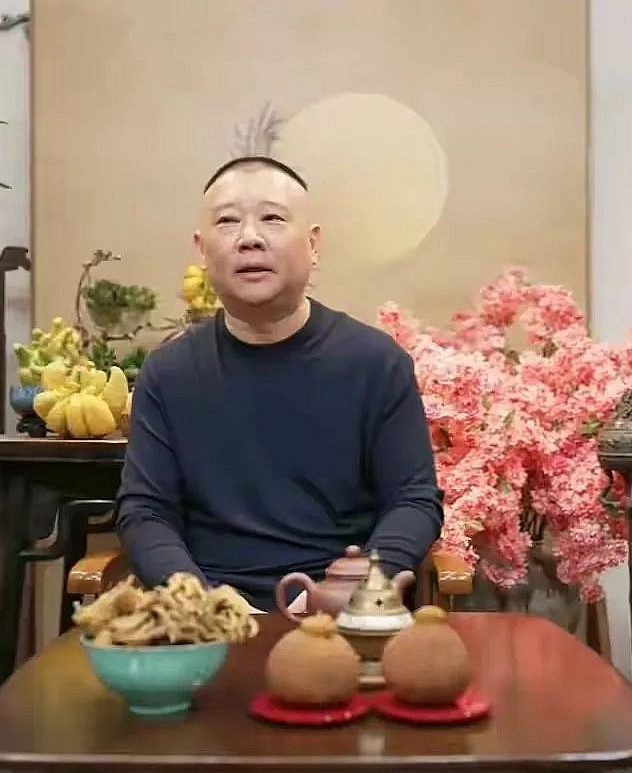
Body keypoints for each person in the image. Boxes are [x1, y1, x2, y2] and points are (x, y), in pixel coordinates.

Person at [115, 155, 443, 612]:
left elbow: (414, 500)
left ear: (313, 244)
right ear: (201, 249)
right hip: (208, 619)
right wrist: (204, 603)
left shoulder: (376, 363)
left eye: (272, 218)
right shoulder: (168, 373)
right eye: (227, 221)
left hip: (339, 616)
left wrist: (354, 589)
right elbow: (145, 510)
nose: (249, 238)